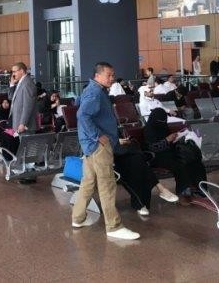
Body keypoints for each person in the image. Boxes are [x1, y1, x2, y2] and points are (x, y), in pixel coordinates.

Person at [72, 61, 140, 240]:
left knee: (88, 183)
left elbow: (80, 107)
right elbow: (82, 115)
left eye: (113, 75)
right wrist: (97, 136)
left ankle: (77, 218)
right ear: (97, 75)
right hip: (98, 147)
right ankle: (114, 226)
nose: (112, 78)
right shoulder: (95, 92)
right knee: (107, 184)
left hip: (90, 146)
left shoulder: (93, 89)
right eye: (108, 75)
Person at [144, 108, 207, 205]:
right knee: (179, 165)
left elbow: (169, 142)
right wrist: (166, 140)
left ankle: (200, 188)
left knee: (195, 161)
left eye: (164, 120)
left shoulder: (163, 127)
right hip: (156, 157)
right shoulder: (149, 130)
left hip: (170, 153)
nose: (163, 123)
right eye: (161, 121)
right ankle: (182, 193)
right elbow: (151, 148)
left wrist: (176, 138)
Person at [113, 136, 178, 215]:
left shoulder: (115, 129)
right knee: (136, 163)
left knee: (137, 161)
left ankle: (140, 204)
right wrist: (115, 142)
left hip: (126, 155)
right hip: (112, 159)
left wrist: (126, 141)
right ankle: (161, 189)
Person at [9, 62, 38, 136]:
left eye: (14, 71)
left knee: (27, 144)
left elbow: (28, 106)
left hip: (25, 126)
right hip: (18, 122)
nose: (13, 74)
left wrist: (23, 123)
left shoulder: (27, 84)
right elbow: (11, 98)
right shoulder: (21, 82)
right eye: (12, 72)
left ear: (21, 71)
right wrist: (12, 85)